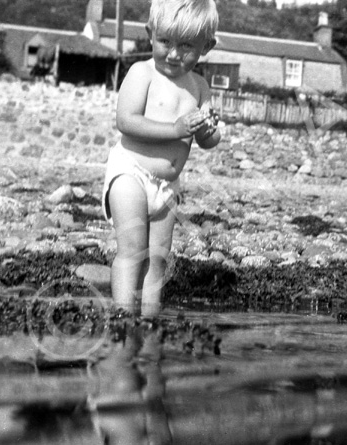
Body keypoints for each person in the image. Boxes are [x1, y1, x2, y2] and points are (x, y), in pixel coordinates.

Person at [102, 0, 221, 318]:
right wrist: (176, 128)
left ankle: (150, 319)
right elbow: (126, 121)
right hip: (131, 172)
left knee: (157, 258)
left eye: (186, 46)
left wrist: (209, 129)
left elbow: (207, 142)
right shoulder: (143, 73)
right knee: (132, 251)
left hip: (167, 186)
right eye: (165, 41)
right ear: (150, 34)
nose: (173, 54)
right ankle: (123, 318)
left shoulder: (199, 87)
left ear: (206, 47)